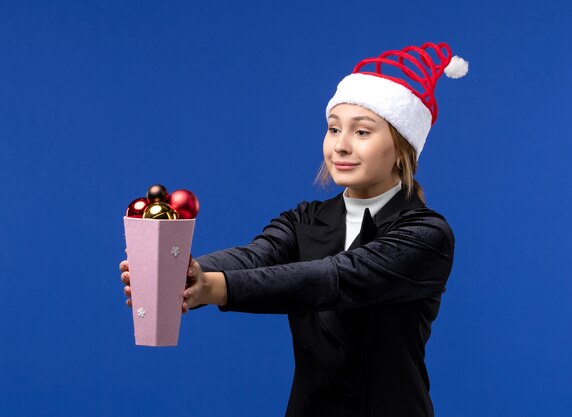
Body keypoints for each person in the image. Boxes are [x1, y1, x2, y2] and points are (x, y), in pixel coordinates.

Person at [120, 41, 467, 417]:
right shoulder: (306, 218)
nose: (341, 146)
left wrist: (214, 288)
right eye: (333, 130)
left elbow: (333, 279)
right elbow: (255, 257)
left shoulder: (426, 234)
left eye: (362, 133)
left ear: (401, 148)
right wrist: (183, 273)